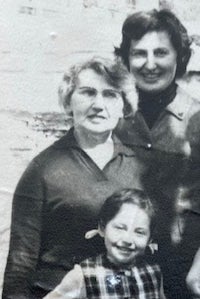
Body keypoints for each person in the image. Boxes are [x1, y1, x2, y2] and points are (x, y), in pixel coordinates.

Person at [2, 57, 142, 299]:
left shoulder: (140, 168)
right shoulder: (43, 169)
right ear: (68, 102)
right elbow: (20, 263)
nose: (99, 104)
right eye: (87, 93)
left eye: (110, 94)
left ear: (124, 106)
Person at [114, 9, 200, 299]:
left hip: (182, 269)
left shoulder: (197, 118)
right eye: (139, 53)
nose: (149, 64)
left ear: (180, 57)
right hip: (118, 263)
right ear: (126, 59)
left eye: (161, 52)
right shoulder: (111, 115)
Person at [43, 188, 166, 299]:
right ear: (102, 229)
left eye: (139, 232)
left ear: (150, 239)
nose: (127, 239)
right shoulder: (83, 275)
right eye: (120, 228)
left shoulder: (153, 273)